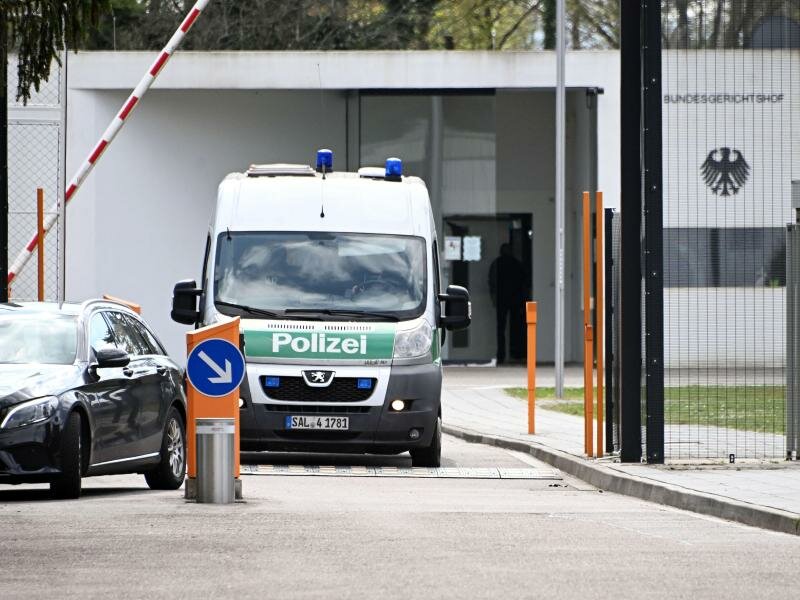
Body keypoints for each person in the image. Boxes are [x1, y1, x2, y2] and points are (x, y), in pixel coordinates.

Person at [488, 243, 528, 364]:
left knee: (501, 328)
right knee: (515, 327)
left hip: (503, 299)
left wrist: (493, 298)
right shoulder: (516, 264)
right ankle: (515, 353)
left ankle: (501, 355)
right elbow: (524, 283)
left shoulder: (497, 263)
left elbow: (491, 282)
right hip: (515, 299)